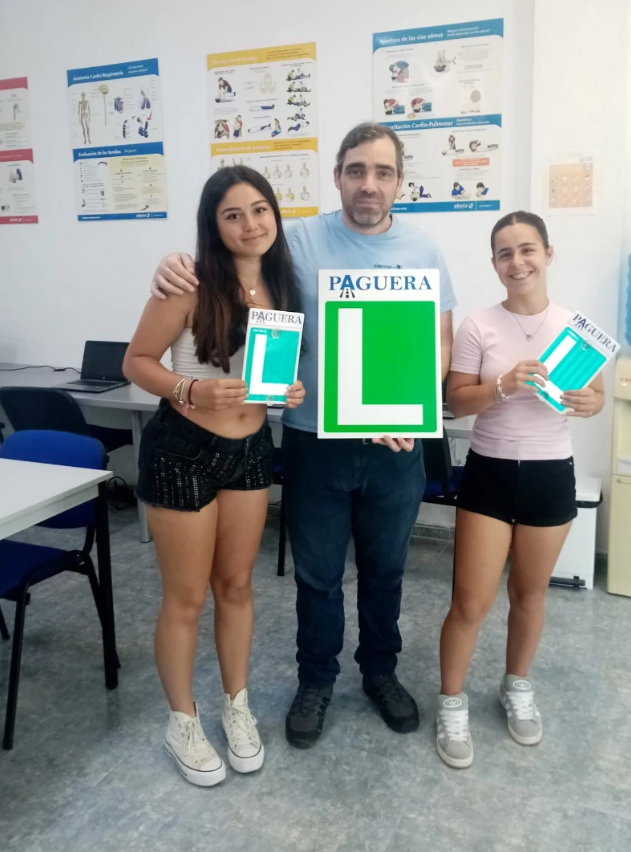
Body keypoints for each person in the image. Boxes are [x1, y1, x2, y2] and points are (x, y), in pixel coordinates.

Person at [149, 122, 456, 749]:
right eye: (356, 170)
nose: (369, 184)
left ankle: (380, 673)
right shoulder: (295, 241)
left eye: (383, 172)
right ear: (337, 174)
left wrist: (409, 408)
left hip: (396, 446)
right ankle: (315, 681)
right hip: (314, 439)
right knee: (317, 575)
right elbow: (231, 250)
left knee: (385, 571)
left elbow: (440, 343)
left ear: (400, 181)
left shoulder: (425, 250)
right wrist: (174, 262)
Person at [123, 166, 305, 787]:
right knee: (186, 597)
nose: (250, 224)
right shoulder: (189, 282)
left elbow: (265, 378)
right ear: (214, 225)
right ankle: (182, 720)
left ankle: (236, 705)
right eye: (233, 215)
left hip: (250, 449)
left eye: (259, 209)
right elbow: (136, 361)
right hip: (182, 450)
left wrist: (288, 392)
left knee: (236, 587)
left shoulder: (283, 284)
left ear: (274, 214)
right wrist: (189, 388)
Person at [435, 211, 604, 769]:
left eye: (527, 249)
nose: (518, 262)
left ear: (548, 254)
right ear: (494, 264)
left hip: (551, 475)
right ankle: (451, 702)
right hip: (490, 471)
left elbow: (595, 394)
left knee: (530, 595)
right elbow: (455, 401)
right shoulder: (478, 326)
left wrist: (590, 402)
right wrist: (503, 386)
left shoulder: (575, 326)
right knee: (470, 603)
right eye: (505, 253)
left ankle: (517, 685)